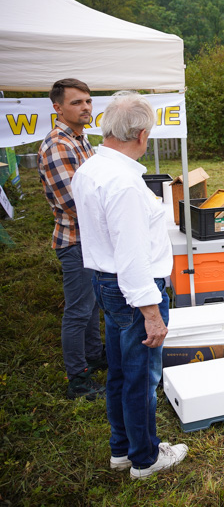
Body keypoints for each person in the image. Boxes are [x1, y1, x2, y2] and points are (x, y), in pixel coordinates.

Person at [71, 92, 187, 479]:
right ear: (140, 135)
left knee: (120, 372)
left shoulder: (90, 169)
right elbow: (133, 255)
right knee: (142, 377)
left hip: (107, 283)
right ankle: (145, 458)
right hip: (134, 289)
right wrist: (151, 314)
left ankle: (123, 448)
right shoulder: (124, 183)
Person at [37, 78, 105, 400]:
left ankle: (94, 356)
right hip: (75, 240)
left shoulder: (81, 140)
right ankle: (78, 379)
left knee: (92, 306)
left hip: (90, 238)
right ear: (58, 108)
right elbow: (73, 202)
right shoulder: (58, 145)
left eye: (88, 101)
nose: (85, 107)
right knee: (78, 310)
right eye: (77, 102)